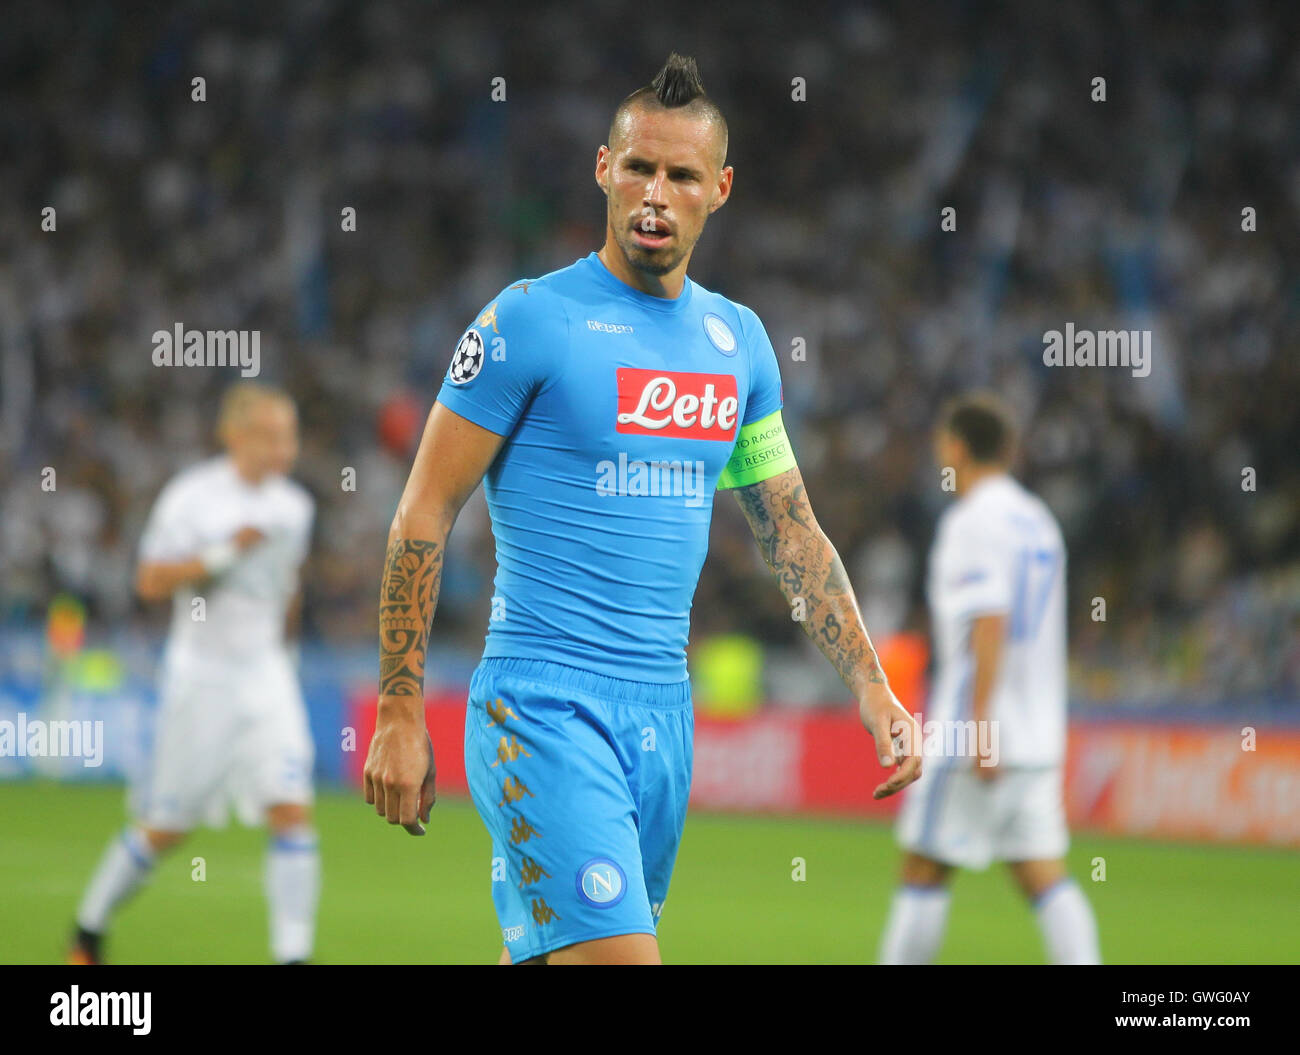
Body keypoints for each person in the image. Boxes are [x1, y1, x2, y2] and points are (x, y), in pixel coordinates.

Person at [364, 52, 920, 965]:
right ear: (603, 170)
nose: (656, 193)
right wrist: (397, 705)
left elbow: (789, 530)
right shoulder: (527, 321)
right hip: (541, 704)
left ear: (721, 188)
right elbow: (424, 509)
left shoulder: (736, 345)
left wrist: (869, 683)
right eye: (639, 168)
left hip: (662, 714)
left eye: (682, 175)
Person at [69, 383, 318, 965]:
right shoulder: (193, 499)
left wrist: (288, 654)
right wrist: (219, 556)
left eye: (290, 437)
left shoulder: (295, 508)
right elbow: (150, 582)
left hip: (269, 678)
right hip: (202, 681)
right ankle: (88, 929)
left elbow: (288, 589)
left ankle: (293, 956)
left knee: (291, 809)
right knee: (167, 826)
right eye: (271, 436)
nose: (284, 449)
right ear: (234, 435)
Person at [879, 392, 1101, 964]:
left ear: (957, 447)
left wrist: (980, 726)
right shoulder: (1039, 522)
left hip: (976, 734)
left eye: (940, 448)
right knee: (1043, 874)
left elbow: (990, 623)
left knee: (924, 867)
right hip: (1039, 734)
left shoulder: (970, 520)